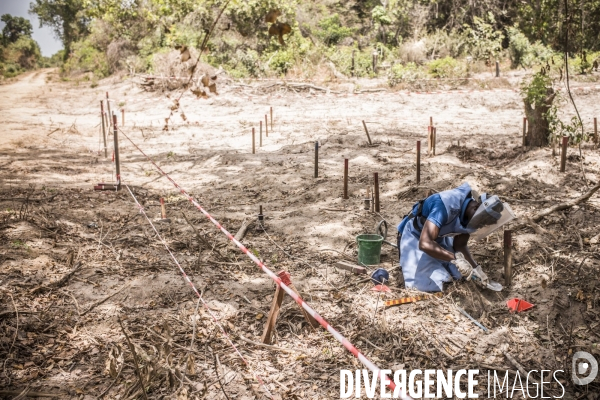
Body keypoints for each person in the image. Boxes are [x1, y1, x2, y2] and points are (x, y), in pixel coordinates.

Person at [396, 182, 514, 292]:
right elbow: (425, 243)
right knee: (432, 284)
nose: (480, 225)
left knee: (459, 276)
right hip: (416, 237)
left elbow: (460, 245)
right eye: (482, 221)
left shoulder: (472, 215)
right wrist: (456, 259)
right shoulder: (445, 205)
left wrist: (476, 269)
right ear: (475, 207)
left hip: (440, 238)